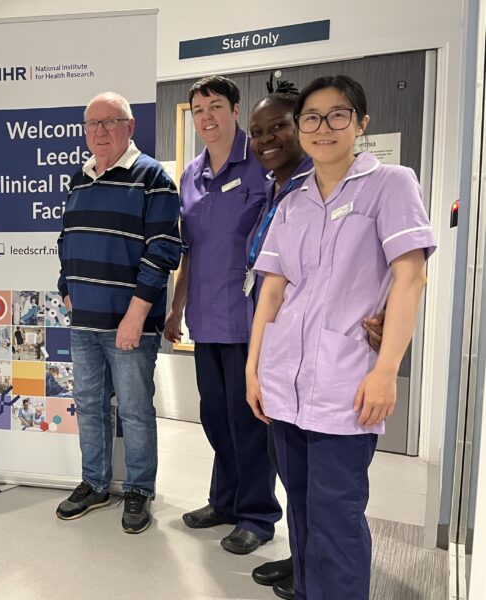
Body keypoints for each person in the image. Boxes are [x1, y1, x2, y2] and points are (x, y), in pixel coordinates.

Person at [246, 75, 435, 600]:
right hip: (284, 378)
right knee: (302, 509)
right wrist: (252, 368)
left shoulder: (390, 183)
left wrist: (385, 371)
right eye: (311, 117)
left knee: (337, 513)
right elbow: (272, 291)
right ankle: (309, 590)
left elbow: (411, 277)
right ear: (300, 127)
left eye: (337, 115)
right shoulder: (294, 200)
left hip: (346, 380)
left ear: (361, 123)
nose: (322, 127)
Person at [55, 91, 180, 534]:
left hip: (130, 324)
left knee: (134, 410)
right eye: (93, 124)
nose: (100, 131)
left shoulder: (154, 178)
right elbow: (66, 239)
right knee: (89, 406)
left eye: (110, 122)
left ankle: (139, 490)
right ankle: (94, 483)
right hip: (84, 322)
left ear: (130, 127)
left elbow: (163, 250)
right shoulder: (80, 178)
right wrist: (66, 286)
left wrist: (135, 316)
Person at [166, 75, 281, 555]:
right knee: (215, 416)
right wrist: (175, 309)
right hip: (206, 318)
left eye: (216, 106)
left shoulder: (261, 166)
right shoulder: (192, 174)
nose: (207, 117)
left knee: (248, 421)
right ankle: (226, 500)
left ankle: (257, 514)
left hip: (250, 320)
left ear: (237, 110)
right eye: (198, 110)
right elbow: (189, 249)